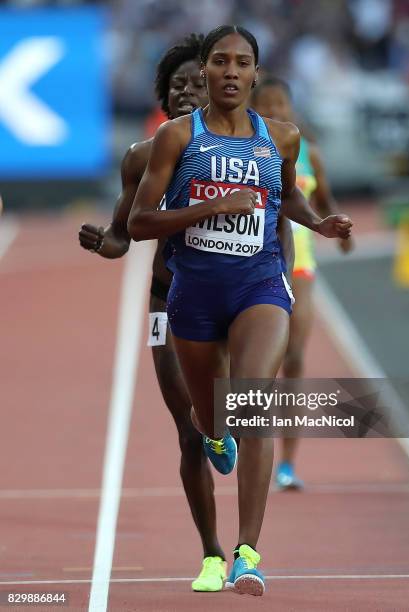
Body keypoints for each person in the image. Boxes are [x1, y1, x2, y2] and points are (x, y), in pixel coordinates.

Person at [128, 25, 352, 596]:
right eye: (220, 62)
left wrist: (317, 222)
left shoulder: (282, 138)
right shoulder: (178, 138)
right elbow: (138, 222)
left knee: (254, 400)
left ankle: (247, 553)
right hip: (193, 297)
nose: (231, 71)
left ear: (256, 73)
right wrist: (210, 209)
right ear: (204, 72)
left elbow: (287, 196)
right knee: (209, 418)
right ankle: (213, 432)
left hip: (260, 288)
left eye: (242, 62)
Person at [79, 34, 229, 593]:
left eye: (197, 80)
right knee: (188, 432)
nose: (188, 90)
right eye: (177, 85)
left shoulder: (247, 148)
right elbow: (122, 238)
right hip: (167, 302)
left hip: (234, 299)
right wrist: (103, 242)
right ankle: (212, 554)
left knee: (227, 410)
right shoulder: (142, 158)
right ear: (164, 98)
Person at [251, 76, 354, 491]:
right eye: (267, 106)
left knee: (293, 357)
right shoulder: (245, 150)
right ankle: (246, 440)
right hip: (255, 263)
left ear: (292, 110)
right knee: (258, 366)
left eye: (282, 105)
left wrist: (343, 230)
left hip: (301, 264)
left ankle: (288, 463)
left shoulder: (308, 153)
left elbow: (324, 201)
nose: (276, 112)